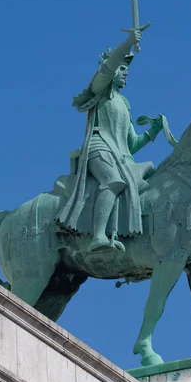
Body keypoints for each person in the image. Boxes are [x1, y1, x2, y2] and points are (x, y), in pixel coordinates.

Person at [56, 29, 163, 252]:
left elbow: (132, 143)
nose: (126, 73)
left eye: (126, 69)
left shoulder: (123, 103)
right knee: (113, 180)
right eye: (122, 69)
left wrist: (153, 131)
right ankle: (97, 236)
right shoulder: (100, 89)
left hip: (121, 155)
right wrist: (128, 43)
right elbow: (109, 67)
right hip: (99, 147)